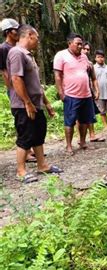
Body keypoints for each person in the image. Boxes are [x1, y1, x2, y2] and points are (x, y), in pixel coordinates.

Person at [7, 25, 63, 183]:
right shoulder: (16, 53)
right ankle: (21, 171)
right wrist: (27, 102)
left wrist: (47, 103)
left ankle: (42, 165)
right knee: (26, 136)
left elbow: (35, 84)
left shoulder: (28, 55)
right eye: (37, 38)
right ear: (29, 35)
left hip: (36, 104)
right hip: (23, 105)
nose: (38, 41)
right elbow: (16, 79)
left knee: (38, 134)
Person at [54, 33, 98, 155]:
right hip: (71, 94)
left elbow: (90, 74)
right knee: (70, 121)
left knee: (84, 121)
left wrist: (94, 90)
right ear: (69, 43)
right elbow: (57, 76)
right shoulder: (61, 55)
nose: (80, 46)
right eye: (77, 44)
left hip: (86, 95)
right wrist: (61, 93)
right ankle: (69, 146)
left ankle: (83, 142)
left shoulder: (84, 57)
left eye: (81, 44)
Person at [1, 18, 37, 163]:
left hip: (24, 85)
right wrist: (13, 89)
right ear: (9, 32)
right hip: (15, 88)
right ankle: (25, 152)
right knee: (22, 120)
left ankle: (31, 148)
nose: (18, 32)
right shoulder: (4, 49)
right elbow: (4, 72)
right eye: (16, 30)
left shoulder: (19, 47)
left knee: (32, 120)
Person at [80, 41, 104, 142]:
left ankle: (92, 134)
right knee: (79, 117)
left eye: (88, 49)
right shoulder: (73, 61)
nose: (86, 51)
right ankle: (81, 138)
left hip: (88, 92)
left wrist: (96, 90)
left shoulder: (89, 64)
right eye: (84, 49)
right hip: (76, 93)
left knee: (90, 113)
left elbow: (93, 78)